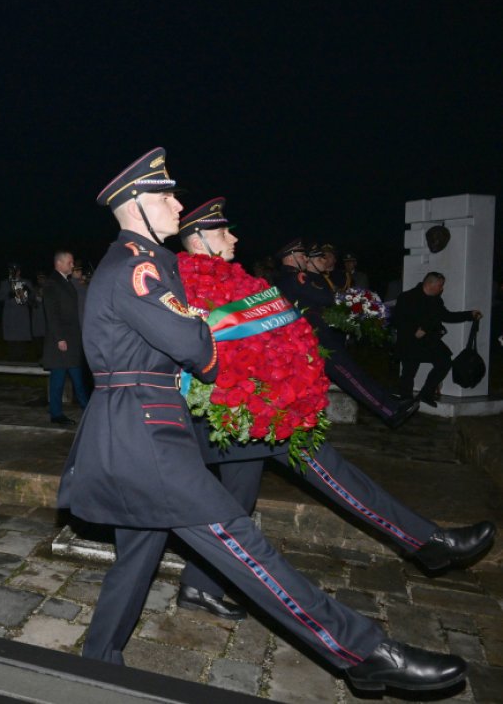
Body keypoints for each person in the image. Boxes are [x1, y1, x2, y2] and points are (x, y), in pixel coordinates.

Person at [58, 148, 465, 693]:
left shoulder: (133, 264)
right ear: (136, 204)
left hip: (131, 430)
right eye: (167, 197)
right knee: (246, 546)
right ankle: (364, 651)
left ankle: (95, 665)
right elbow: (196, 349)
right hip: (145, 435)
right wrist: (203, 326)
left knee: (137, 555)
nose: (177, 205)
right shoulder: (139, 266)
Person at [173, 198, 495, 621]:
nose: (234, 237)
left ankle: (198, 585)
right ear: (198, 239)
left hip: (260, 414)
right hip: (243, 414)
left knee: (236, 504)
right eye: (222, 232)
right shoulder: (184, 283)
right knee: (334, 475)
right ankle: (428, 543)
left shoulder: (241, 280)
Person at [275, 239, 418, 428]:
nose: (305, 259)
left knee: (348, 373)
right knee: (349, 374)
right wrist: (355, 300)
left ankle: (389, 405)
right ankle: (390, 410)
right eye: (302, 256)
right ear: (291, 257)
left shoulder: (289, 278)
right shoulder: (295, 277)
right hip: (314, 338)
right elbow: (324, 298)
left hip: (313, 335)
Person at [393, 272, 482, 407]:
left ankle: (426, 394)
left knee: (444, 362)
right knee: (410, 368)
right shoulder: (407, 297)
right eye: (440, 285)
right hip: (410, 340)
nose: (442, 289)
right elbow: (398, 319)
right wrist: (414, 330)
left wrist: (469, 315)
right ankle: (405, 397)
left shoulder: (436, 300)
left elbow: (447, 316)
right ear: (430, 284)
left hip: (429, 340)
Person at [41, 251, 89, 425]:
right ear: (59, 263)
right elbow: (52, 314)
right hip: (61, 341)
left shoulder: (65, 281)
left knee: (77, 376)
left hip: (72, 339)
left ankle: (87, 409)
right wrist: (60, 338)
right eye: (69, 262)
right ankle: (56, 414)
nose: (72, 265)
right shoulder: (52, 283)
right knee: (59, 379)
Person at [0, 263, 35, 360]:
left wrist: (27, 292)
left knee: (21, 340)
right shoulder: (5, 283)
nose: (13, 272)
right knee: (11, 340)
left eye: (15, 270)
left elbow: (33, 298)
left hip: (22, 315)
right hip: (10, 315)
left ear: (19, 271)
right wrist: (9, 294)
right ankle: (12, 360)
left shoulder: (26, 282)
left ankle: (21, 360)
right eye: (11, 270)